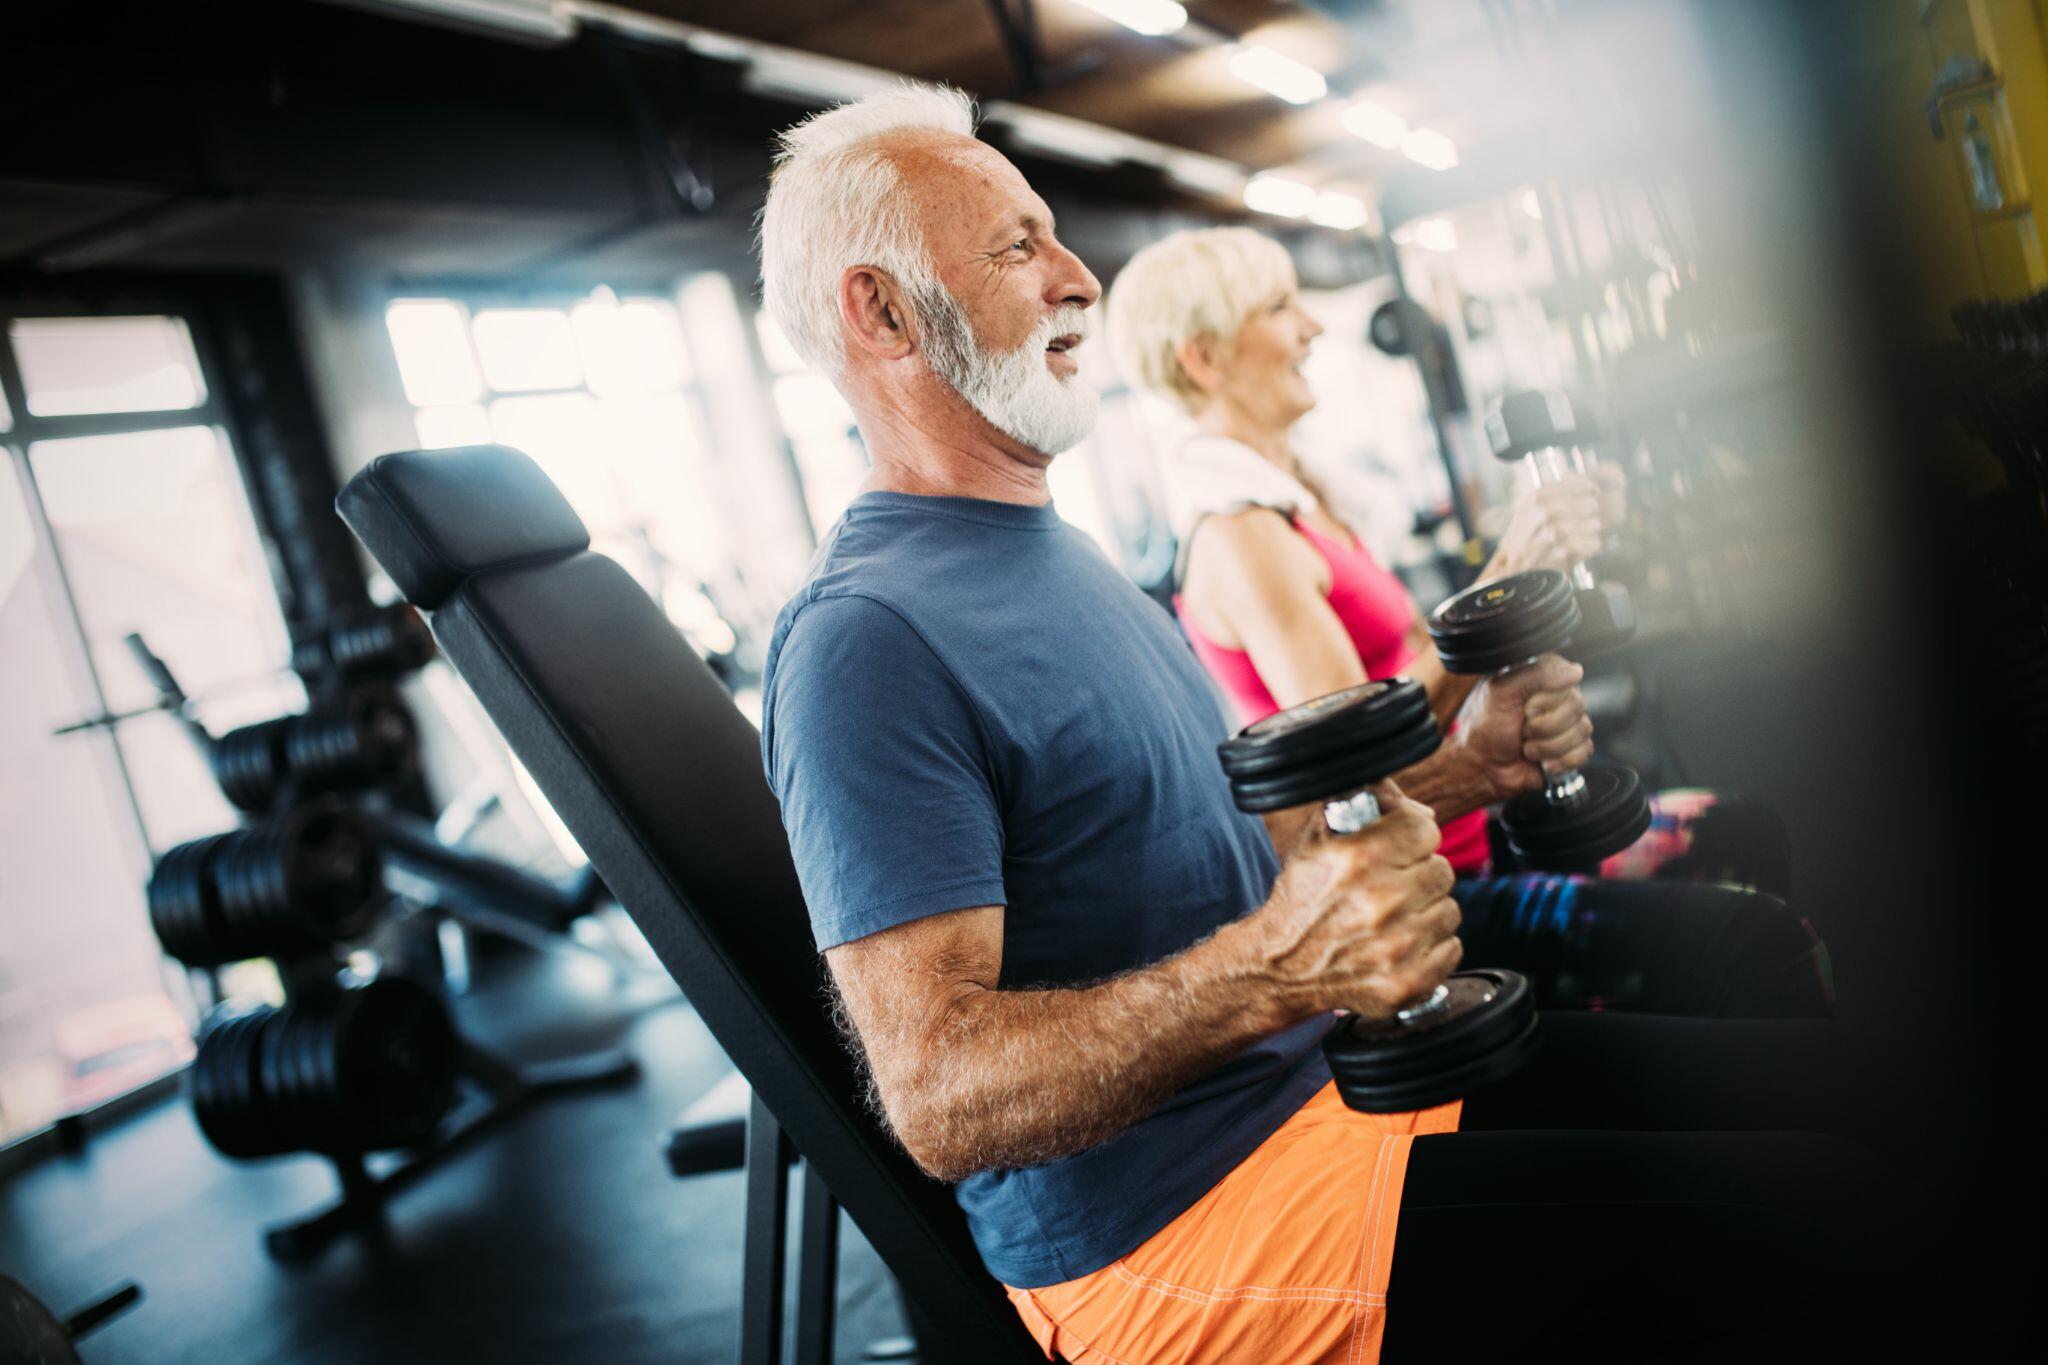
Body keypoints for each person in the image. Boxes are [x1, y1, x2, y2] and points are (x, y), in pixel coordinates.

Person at [755, 85, 1896, 1363]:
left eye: (1054, 235)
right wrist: (1278, 972)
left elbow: (1250, 856)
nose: (1077, 277)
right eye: (1017, 247)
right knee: (1822, 1216)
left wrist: (1467, 774)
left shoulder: (1057, 554)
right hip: (1178, 1232)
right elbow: (938, 1097)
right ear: (883, 312)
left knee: (1852, 1096)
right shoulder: (862, 639)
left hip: (1331, 1090)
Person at [1105, 226, 1826, 1016]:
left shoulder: (1305, 503)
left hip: (1483, 836)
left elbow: (1427, 664)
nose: (1311, 328)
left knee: (1741, 832)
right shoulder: (1242, 537)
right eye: (1280, 309)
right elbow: (1362, 762)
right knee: (1758, 942)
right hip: (1431, 901)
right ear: (1205, 359)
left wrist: (1540, 567)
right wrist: (1509, 566)